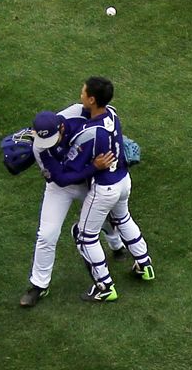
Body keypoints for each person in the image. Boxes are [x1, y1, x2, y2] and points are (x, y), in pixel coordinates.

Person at [18, 107, 122, 308]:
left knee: (106, 217)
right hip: (61, 186)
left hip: (89, 183)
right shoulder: (39, 148)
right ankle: (39, 285)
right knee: (47, 234)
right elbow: (62, 179)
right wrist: (94, 167)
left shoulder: (74, 113)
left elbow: (98, 112)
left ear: (62, 127)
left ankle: (116, 245)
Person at [71, 76, 155, 302]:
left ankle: (105, 287)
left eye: (83, 92)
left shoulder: (90, 132)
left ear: (91, 99)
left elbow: (75, 164)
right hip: (123, 180)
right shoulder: (113, 114)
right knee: (123, 218)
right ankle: (144, 264)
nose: (80, 96)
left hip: (105, 188)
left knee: (84, 236)